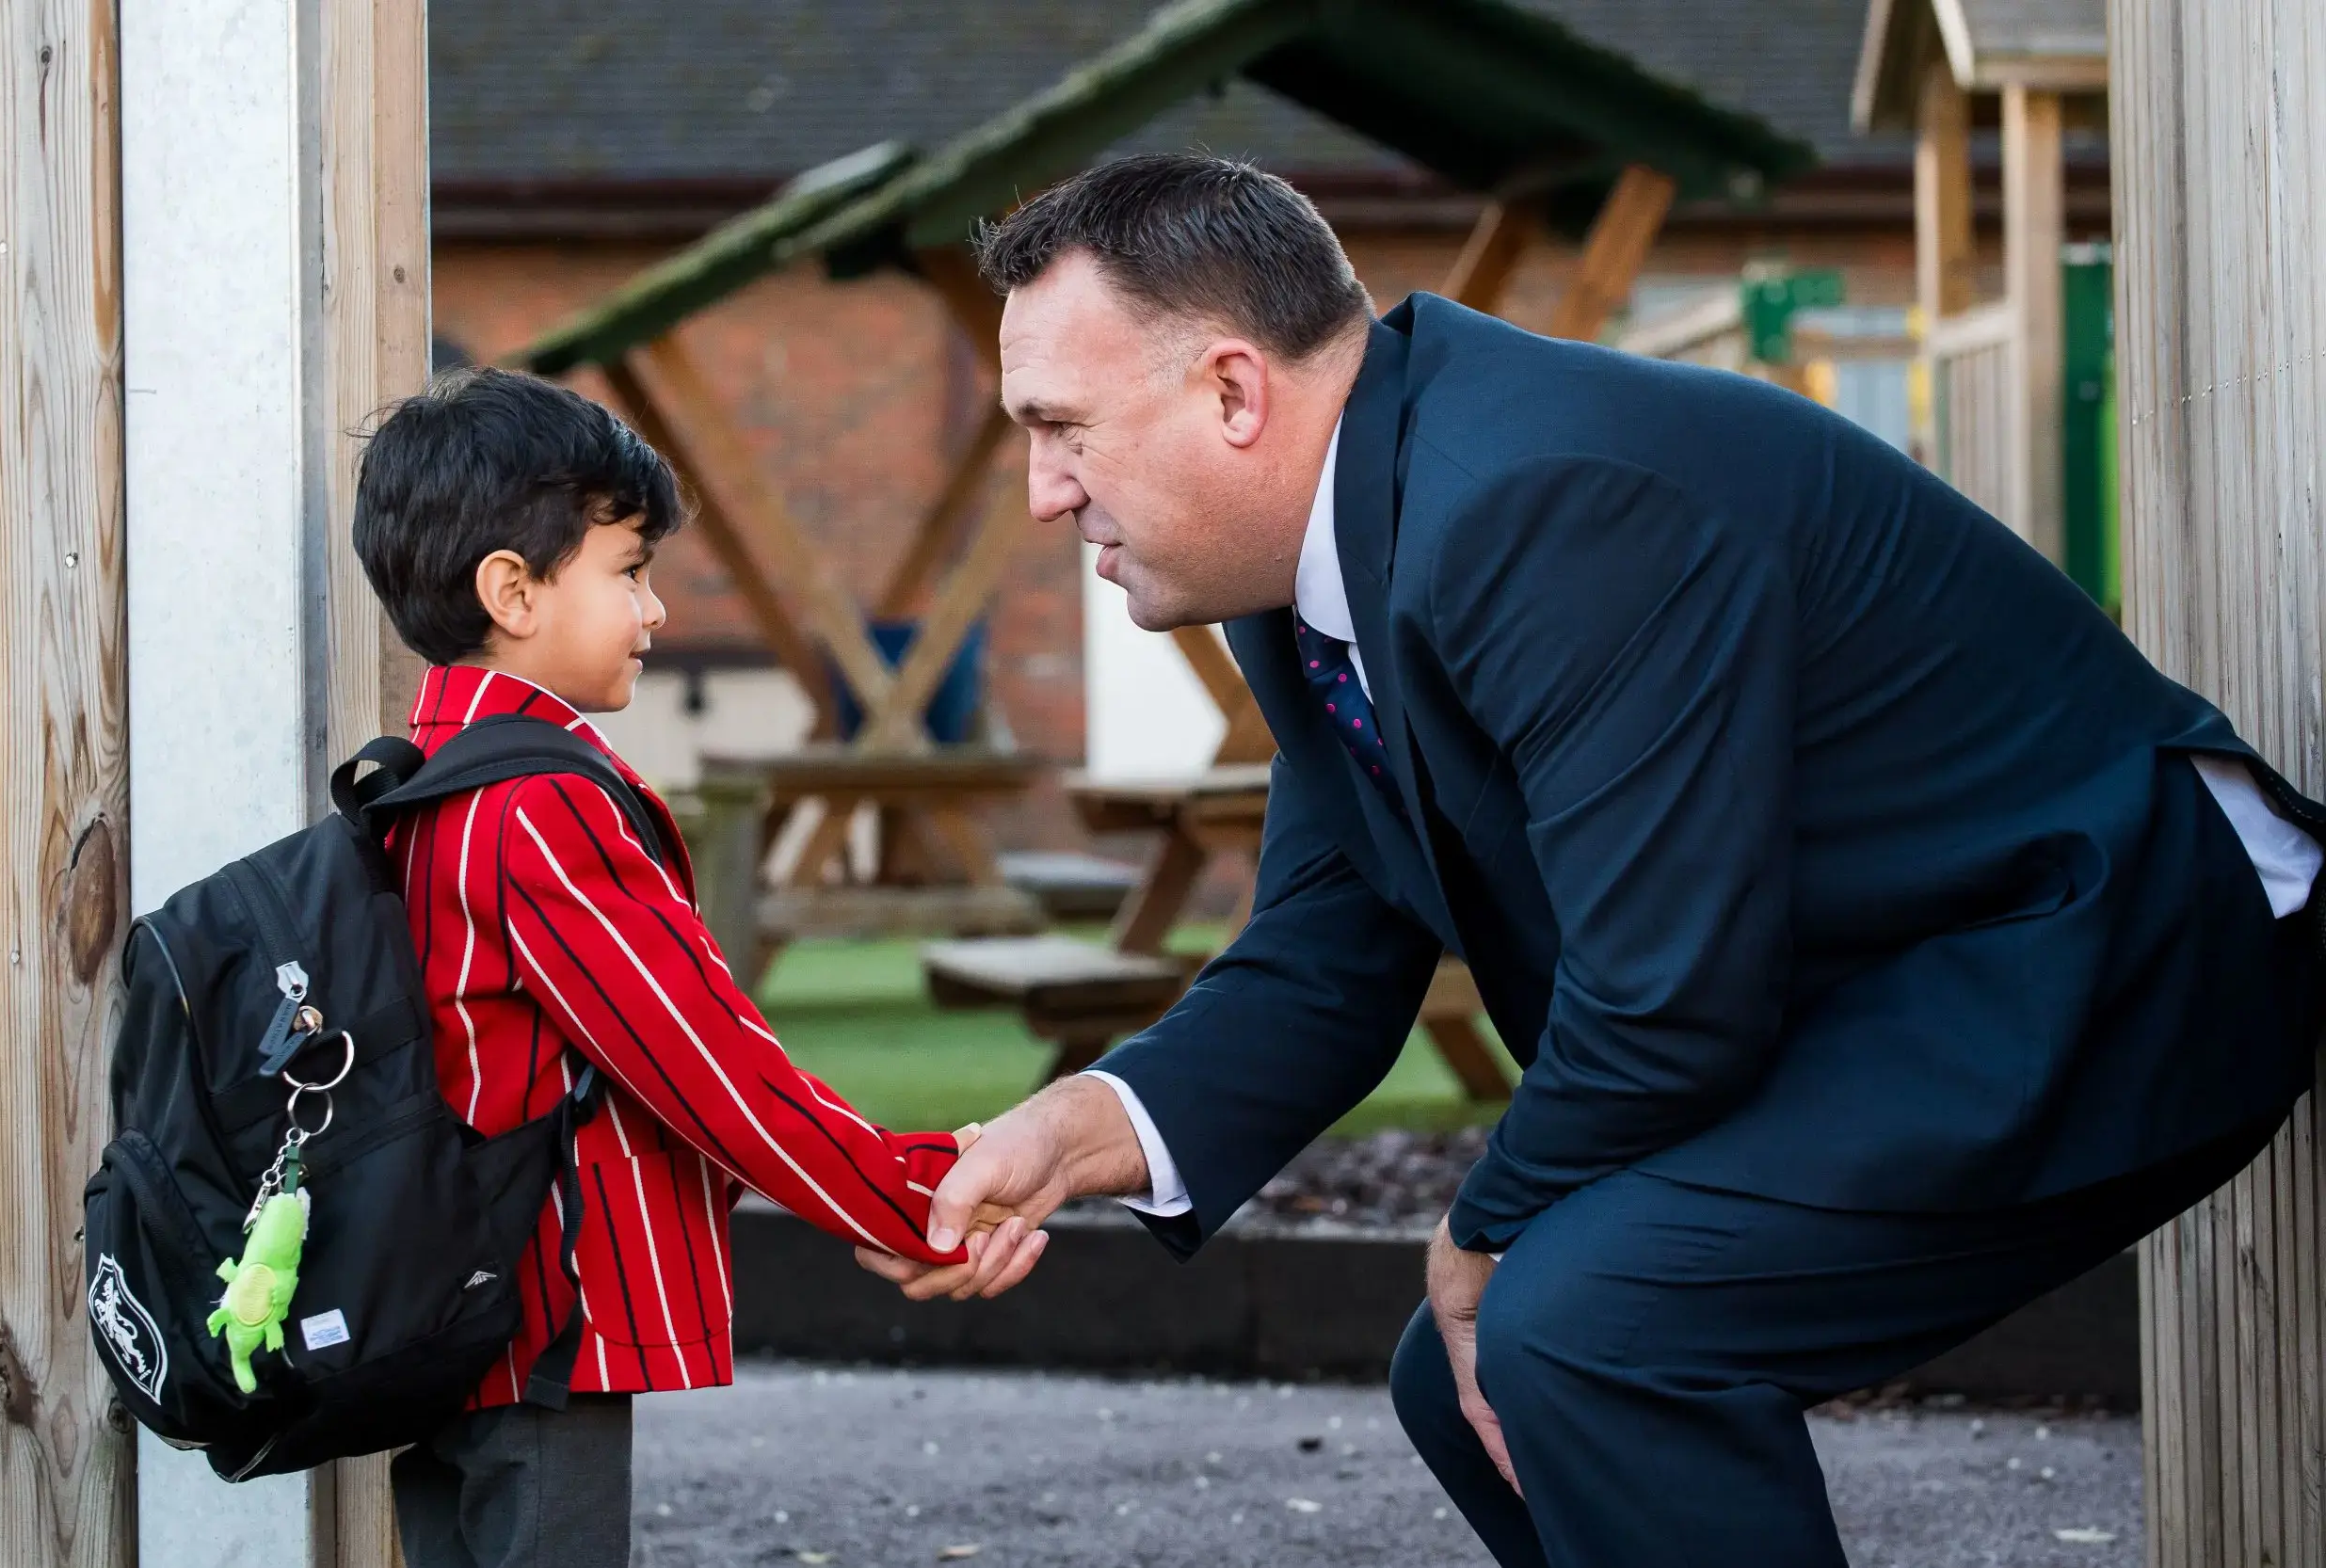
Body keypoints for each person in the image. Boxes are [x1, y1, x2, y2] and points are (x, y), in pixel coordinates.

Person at [856, 153, 2326, 1567]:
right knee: (1476, 1369)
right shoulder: (1317, 561)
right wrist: (1077, 1131)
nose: (1047, 491)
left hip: (2121, 936)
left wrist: (1482, 1225)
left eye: (1061, 426)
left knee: (1585, 1328)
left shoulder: (1538, 501)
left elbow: (1669, 988)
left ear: (1234, 389)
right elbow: (1323, 960)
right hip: (1909, 973)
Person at [350, 368, 1036, 1568]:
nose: (657, 609)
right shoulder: (536, 808)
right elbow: (702, 1062)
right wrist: (913, 1196)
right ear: (511, 591)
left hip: (447, 1317)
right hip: (540, 1323)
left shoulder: (422, 789)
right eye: (627, 571)